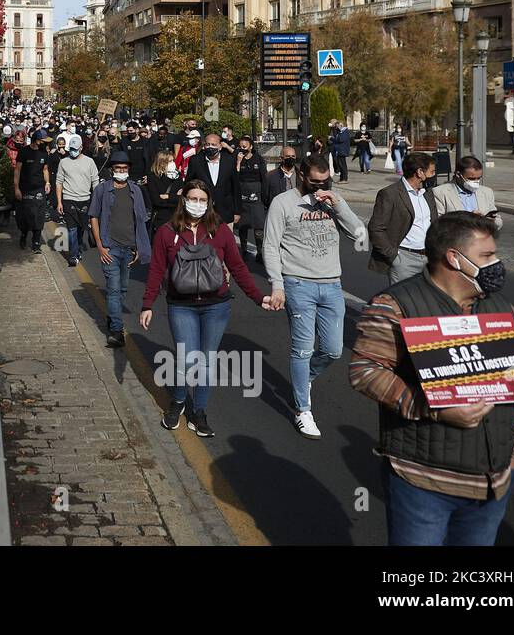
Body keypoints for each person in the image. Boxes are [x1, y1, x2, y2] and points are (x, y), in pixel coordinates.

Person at [351, 213, 514, 546]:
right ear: (454, 258)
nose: (497, 264)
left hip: (494, 483)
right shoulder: (395, 306)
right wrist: (432, 408)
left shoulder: (503, 308)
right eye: (487, 256)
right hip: (423, 483)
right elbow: (365, 371)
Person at [140, 180, 270, 436]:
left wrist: (258, 297)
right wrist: (147, 304)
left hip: (216, 306)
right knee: (187, 360)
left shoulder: (220, 230)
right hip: (181, 306)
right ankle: (178, 400)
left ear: (208, 203)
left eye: (202, 200)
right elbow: (156, 269)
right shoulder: (167, 232)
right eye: (192, 199)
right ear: (183, 200)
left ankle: (198, 410)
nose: (197, 204)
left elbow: (238, 266)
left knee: (207, 362)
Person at [263, 154, 369, 439]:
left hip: (332, 284)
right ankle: (302, 409)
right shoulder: (283, 203)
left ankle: (305, 377)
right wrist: (277, 285)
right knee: (303, 348)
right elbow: (271, 247)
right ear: (301, 175)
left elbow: (360, 236)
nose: (320, 186)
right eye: (314, 181)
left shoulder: (333, 202)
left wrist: (339, 205)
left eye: (326, 181)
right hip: (298, 284)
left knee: (334, 349)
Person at [89, 153, 152, 348]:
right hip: (110, 247)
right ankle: (117, 331)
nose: (122, 172)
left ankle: (113, 317)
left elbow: (141, 221)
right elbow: (93, 217)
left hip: (129, 248)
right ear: (112, 170)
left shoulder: (136, 190)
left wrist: (139, 247)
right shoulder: (102, 190)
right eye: (118, 169)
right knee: (114, 290)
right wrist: (100, 245)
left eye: (125, 169)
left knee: (122, 288)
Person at [368, 153, 439, 285]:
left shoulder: (427, 193)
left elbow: (434, 222)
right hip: (404, 259)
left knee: (426, 302)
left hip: (429, 258)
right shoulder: (390, 194)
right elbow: (376, 228)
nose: (434, 175)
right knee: (405, 302)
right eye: (432, 171)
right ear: (420, 172)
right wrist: (394, 257)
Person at [55, 134, 99, 268]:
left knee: (81, 229)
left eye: (75, 148)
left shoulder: (89, 162)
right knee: (72, 229)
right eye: (71, 149)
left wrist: (96, 201)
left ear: (81, 148)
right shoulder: (63, 162)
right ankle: (73, 256)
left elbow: (95, 181)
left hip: (85, 200)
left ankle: (78, 248)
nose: (72, 151)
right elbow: (59, 182)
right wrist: (59, 202)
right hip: (69, 200)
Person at [185, 133, 241, 229]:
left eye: (213, 145)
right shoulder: (196, 161)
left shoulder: (229, 161)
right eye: (207, 144)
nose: (210, 147)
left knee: (224, 241)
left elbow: (235, 187)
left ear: (220, 146)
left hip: (225, 211)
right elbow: (189, 183)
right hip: (202, 211)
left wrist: (237, 211)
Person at [431, 156, 502, 231]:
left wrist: (491, 221)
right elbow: (438, 223)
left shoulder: (486, 192)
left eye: (479, 178)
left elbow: (498, 220)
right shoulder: (440, 192)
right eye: (471, 178)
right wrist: (468, 220)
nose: (476, 181)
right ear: (458, 175)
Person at [14, 129, 52, 254]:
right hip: (25, 189)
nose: (46, 143)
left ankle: (36, 242)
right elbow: (18, 171)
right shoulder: (24, 152)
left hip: (39, 189)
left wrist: (47, 182)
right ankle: (24, 235)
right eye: (43, 141)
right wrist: (16, 188)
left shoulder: (44, 153)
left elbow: (45, 170)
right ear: (37, 140)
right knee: (25, 216)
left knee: (39, 216)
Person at [234, 136, 267, 258]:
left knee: (258, 225)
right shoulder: (237, 158)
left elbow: (264, 178)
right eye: (240, 147)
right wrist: (238, 161)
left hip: (256, 194)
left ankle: (259, 251)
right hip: (242, 193)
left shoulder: (259, 159)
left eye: (245, 146)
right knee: (243, 225)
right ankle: (244, 249)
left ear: (251, 146)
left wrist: (264, 196)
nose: (242, 149)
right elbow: (234, 177)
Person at [144, 150, 183, 235]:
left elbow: (182, 198)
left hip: (177, 216)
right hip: (161, 218)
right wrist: (175, 197)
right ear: (161, 163)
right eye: (169, 161)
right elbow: (157, 201)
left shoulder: (178, 176)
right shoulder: (153, 177)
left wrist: (168, 197)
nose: (173, 163)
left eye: (173, 160)